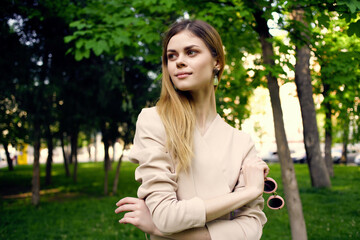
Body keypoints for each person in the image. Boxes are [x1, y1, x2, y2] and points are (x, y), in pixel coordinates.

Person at [115, 19, 269, 240]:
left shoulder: (241, 142)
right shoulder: (154, 121)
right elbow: (166, 217)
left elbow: (252, 228)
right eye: (172, 56)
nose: (179, 62)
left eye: (191, 52)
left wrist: (162, 231)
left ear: (217, 61)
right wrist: (249, 192)